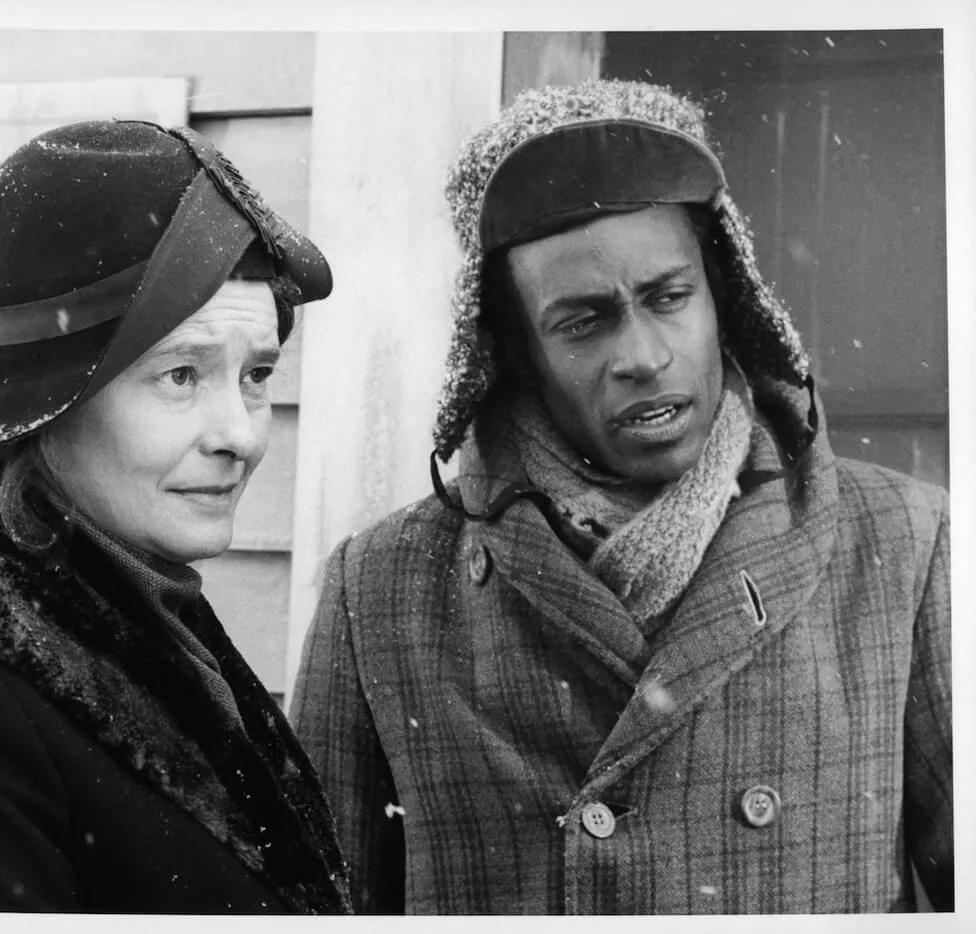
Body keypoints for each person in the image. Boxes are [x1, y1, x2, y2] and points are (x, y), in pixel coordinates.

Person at [290, 80, 952, 914]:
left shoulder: (906, 545)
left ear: (727, 302)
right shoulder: (381, 591)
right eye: (582, 321)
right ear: (514, 352)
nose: (641, 354)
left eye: (668, 297)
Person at [0, 120, 350, 914]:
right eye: (182, 375)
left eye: (257, 374)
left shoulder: (142, 619)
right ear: (49, 409)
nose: (240, 434)